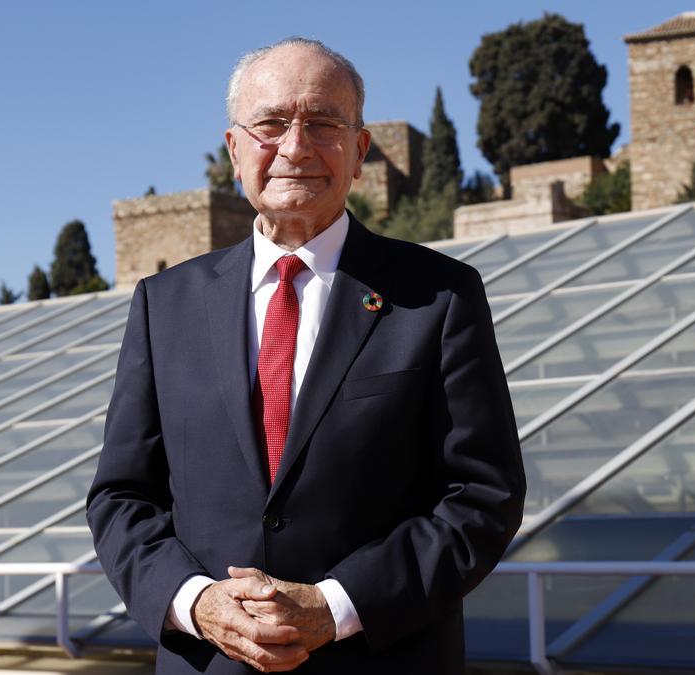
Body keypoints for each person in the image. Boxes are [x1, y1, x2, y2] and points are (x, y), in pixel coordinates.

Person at [86, 37, 525, 674]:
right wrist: (196, 602)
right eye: (270, 124)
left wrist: (337, 605)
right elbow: (122, 497)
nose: (295, 147)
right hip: (209, 663)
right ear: (234, 151)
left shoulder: (439, 296)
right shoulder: (164, 304)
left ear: (359, 153)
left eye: (323, 123)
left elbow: (482, 494)